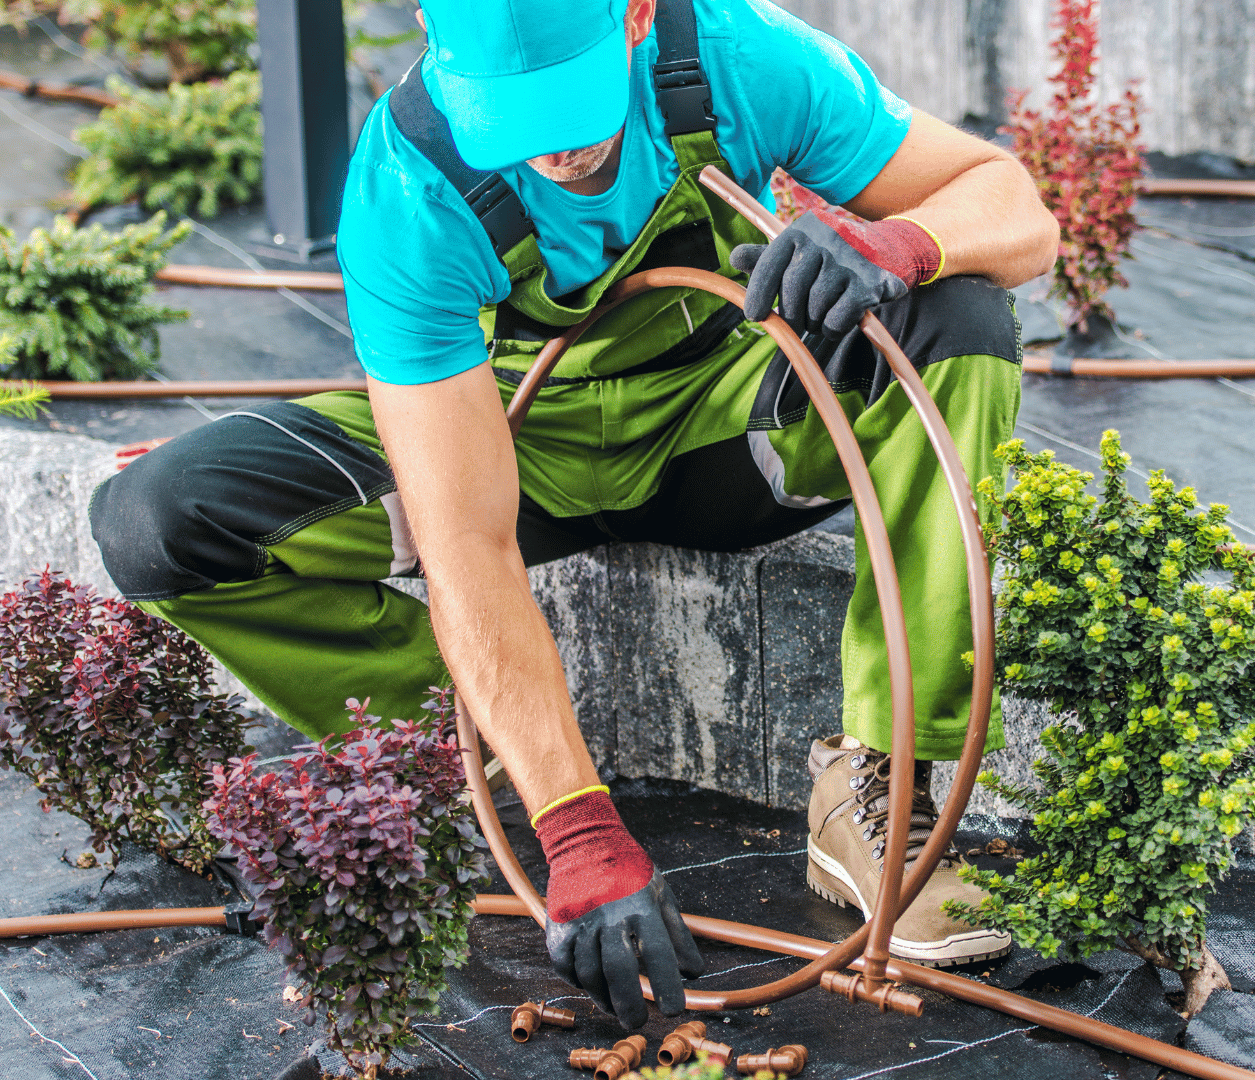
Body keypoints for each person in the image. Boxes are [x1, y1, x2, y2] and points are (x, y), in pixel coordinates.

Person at [89, 0, 1056, 1030]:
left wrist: (903, 239)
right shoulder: (409, 183)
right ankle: (464, 743)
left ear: (637, 16)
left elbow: (1013, 204)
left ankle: (877, 790)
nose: (549, 152)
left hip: (733, 437)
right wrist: (574, 822)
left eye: (568, 108)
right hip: (515, 443)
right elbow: (463, 533)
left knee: (960, 315)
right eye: (513, 121)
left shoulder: (739, 58)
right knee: (161, 521)